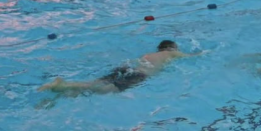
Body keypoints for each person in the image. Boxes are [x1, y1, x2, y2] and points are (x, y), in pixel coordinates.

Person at [39, 40, 197, 96]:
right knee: (106, 90)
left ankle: (64, 91)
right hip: (139, 74)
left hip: (126, 68)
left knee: (96, 83)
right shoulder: (172, 53)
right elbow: (192, 57)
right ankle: (64, 85)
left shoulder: (148, 54)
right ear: (172, 47)